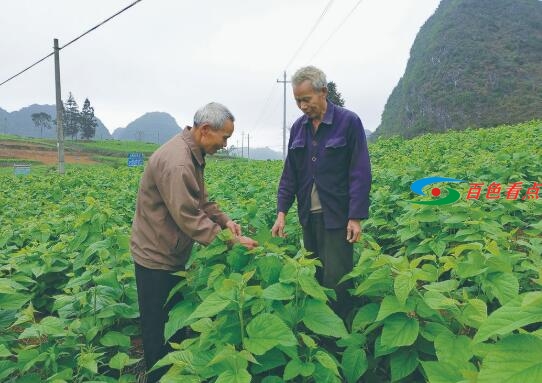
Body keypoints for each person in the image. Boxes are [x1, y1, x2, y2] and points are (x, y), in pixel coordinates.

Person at [131, 102, 258, 382]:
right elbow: (188, 215)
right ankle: (158, 376)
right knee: (158, 330)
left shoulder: (191, 153)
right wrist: (230, 241)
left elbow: (201, 201)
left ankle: (171, 373)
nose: (225, 144)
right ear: (204, 130)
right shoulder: (178, 162)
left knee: (172, 325)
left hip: (169, 252)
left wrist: (225, 222)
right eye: (224, 137)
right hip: (156, 256)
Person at [271, 66, 371, 321]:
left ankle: (339, 337)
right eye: (297, 101)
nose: (302, 106)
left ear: (323, 92)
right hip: (309, 217)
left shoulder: (348, 122)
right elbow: (290, 174)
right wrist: (281, 212)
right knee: (314, 278)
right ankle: (319, 333)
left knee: (337, 280)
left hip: (337, 218)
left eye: (306, 99)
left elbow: (359, 171)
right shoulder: (298, 128)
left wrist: (356, 216)